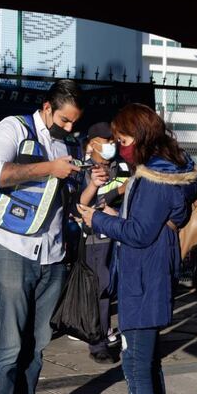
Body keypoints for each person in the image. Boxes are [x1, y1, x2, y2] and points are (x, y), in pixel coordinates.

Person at [78, 103, 197, 394]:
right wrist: (122, 218)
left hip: (143, 281)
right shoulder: (167, 172)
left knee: (135, 368)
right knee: (148, 365)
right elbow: (156, 221)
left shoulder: (153, 178)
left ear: (142, 137)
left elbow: (138, 234)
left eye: (123, 139)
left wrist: (97, 218)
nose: (120, 146)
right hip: (151, 276)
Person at [0, 79, 91, 394]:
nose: (70, 129)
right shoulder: (15, 127)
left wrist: (91, 179)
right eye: (65, 120)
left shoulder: (69, 144)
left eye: (75, 123)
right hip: (12, 247)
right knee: (9, 346)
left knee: (37, 346)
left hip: (53, 255)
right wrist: (49, 168)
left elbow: (66, 196)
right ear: (47, 108)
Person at [76, 121, 128, 364]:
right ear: (92, 143)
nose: (111, 146)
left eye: (113, 141)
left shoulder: (123, 166)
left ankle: (111, 334)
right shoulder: (83, 168)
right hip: (95, 238)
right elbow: (81, 205)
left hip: (121, 234)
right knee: (100, 290)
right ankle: (98, 343)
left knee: (114, 289)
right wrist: (115, 194)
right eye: (106, 141)